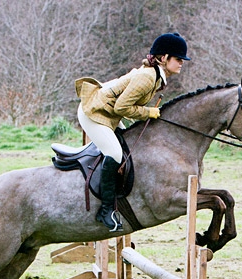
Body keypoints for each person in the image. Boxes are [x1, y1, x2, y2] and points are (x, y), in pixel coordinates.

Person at [75, 32, 190, 232]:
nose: (181, 63)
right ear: (164, 58)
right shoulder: (147, 77)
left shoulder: (154, 76)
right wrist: (148, 112)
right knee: (115, 153)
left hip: (108, 113)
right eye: (178, 59)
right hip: (93, 112)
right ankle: (106, 211)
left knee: (125, 146)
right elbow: (121, 108)